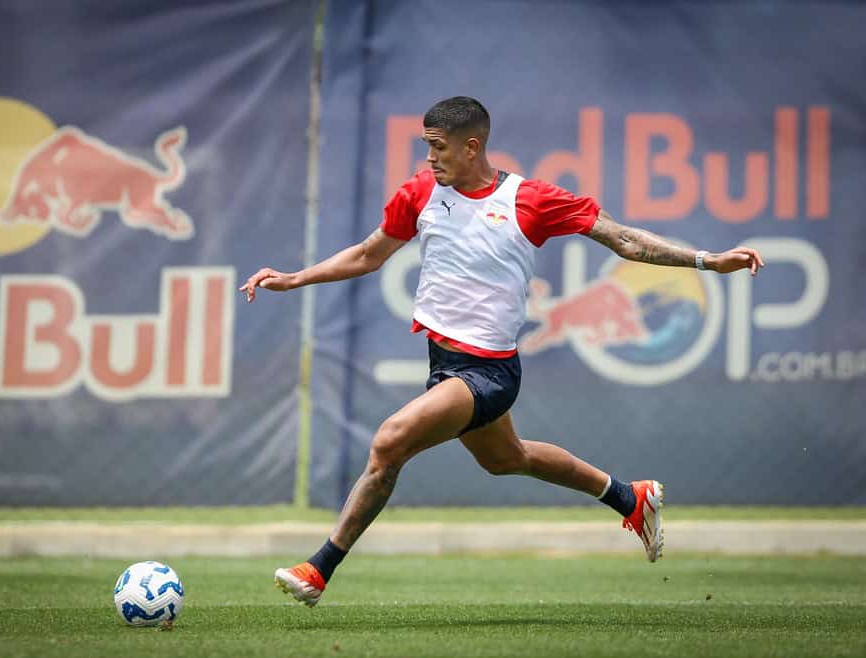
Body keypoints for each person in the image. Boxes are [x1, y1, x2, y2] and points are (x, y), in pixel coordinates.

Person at [241, 96, 764, 607]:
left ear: (472, 147)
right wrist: (293, 279)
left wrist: (707, 260)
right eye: (426, 147)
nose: (430, 158)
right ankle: (630, 497)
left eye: (439, 147)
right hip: (444, 364)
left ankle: (320, 568)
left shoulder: (529, 200)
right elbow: (367, 255)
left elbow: (623, 240)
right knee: (506, 459)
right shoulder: (420, 192)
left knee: (389, 444)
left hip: (488, 373)